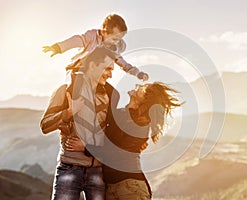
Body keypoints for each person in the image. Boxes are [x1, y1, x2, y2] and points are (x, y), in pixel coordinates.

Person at [66, 82, 184, 199]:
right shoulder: (120, 113)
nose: (137, 85)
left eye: (143, 88)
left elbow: (116, 153)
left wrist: (85, 147)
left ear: (145, 100)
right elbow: (111, 91)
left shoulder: (140, 125)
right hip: (111, 188)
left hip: (130, 187)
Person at [40, 47, 119, 200]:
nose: (110, 75)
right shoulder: (66, 91)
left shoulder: (111, 96)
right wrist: (69, 112)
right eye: (107, 68)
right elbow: (45, 125)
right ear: (92, 66)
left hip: (98, 171)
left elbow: (113, 134)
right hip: (69, 169)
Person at [43, 13, 148, 81]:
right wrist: (59, 47)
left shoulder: (113, 48)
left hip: (95, 76)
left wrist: (138, 73)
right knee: (79, 83)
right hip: (79, 70)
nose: (116, 43)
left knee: (112, 95)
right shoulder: (92, 36)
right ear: (103, 32)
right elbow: (78, 40)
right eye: (114, 39)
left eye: (119, 40)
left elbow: (123, 64)